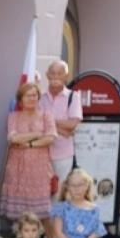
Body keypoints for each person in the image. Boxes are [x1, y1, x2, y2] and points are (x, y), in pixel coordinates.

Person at [0, 82, 56, 229]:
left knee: (43, 211)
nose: (32, 98)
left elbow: (50, 138)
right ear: (20, 99)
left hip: (39, 168)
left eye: (35, 95)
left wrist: (29, 144)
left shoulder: (46, 116)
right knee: (18, 212)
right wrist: (37, 134)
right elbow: (13, 138)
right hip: (17, 167)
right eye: (28, 95)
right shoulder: (13, 116)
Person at [40, 60, 83, 200]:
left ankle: (56, 221)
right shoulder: (40, 97)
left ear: (66, 76)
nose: (56, 77)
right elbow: (37, 123)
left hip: (63, 153)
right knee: (42, 192)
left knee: (59, 193)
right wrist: (61, 129)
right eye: (52, 73)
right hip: (42, 152)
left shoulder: (73, 96)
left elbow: (72, 124)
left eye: (60, 73)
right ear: (47, 75)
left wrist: (49, 122)